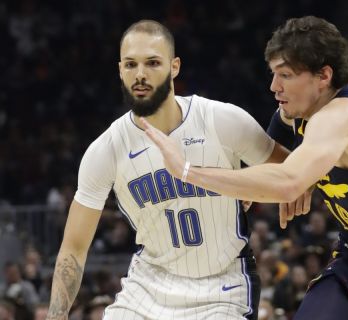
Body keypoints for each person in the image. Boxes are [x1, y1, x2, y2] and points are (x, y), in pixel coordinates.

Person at [142, 16, 348, 319]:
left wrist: (187, 171)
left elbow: (286, 182)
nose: (274, 86)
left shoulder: (342, 117)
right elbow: (282, 126)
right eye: (273, 74)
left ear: (323, 76)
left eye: (285, 75)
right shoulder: (310, 108)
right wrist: (288, 171)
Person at [46, 19, 307, 320]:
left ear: (175, 67)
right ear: (120, 70)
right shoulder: (106, 149)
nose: (140, 74)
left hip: (222, 286)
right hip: (147, 287)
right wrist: (56, 315)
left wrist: (249, 185)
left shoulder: (222, 120)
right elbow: (74, 248)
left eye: (152, 63)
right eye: (130, 65)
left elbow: (293, 172)